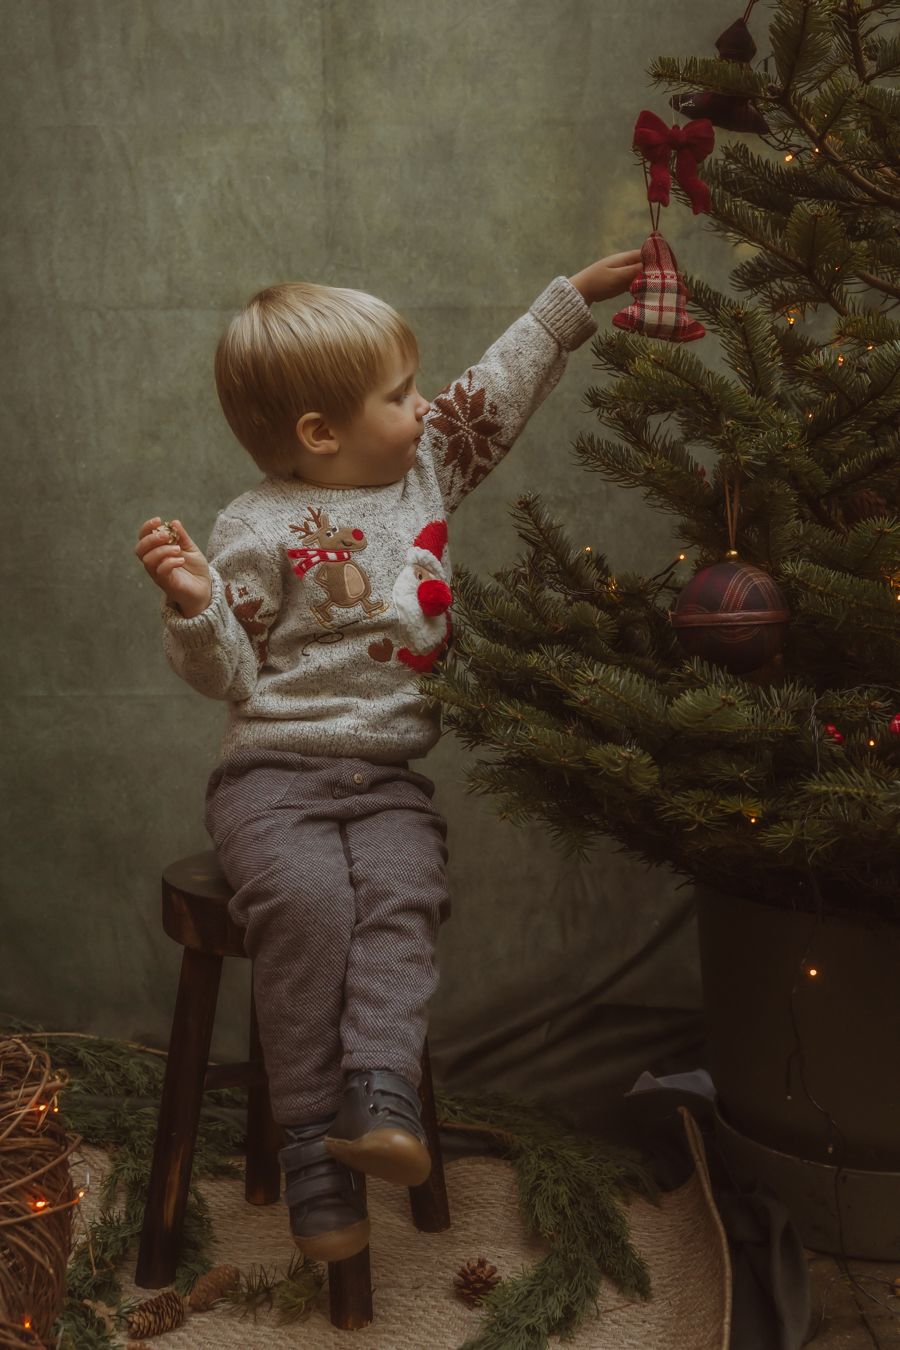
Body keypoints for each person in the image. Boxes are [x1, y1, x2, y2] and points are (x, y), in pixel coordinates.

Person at [134, 252, 641, 1263]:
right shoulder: (254, 527)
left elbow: (490, 396)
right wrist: (195, 606)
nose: (423, 406)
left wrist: (565, 303)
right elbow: (229, 675)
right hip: (271, 783)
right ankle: (314, 1147)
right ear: (320, 433)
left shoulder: (427, 468)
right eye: (399, 394)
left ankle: (380, 1099)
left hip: (390, 781)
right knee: (314, 906)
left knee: (406, 894)